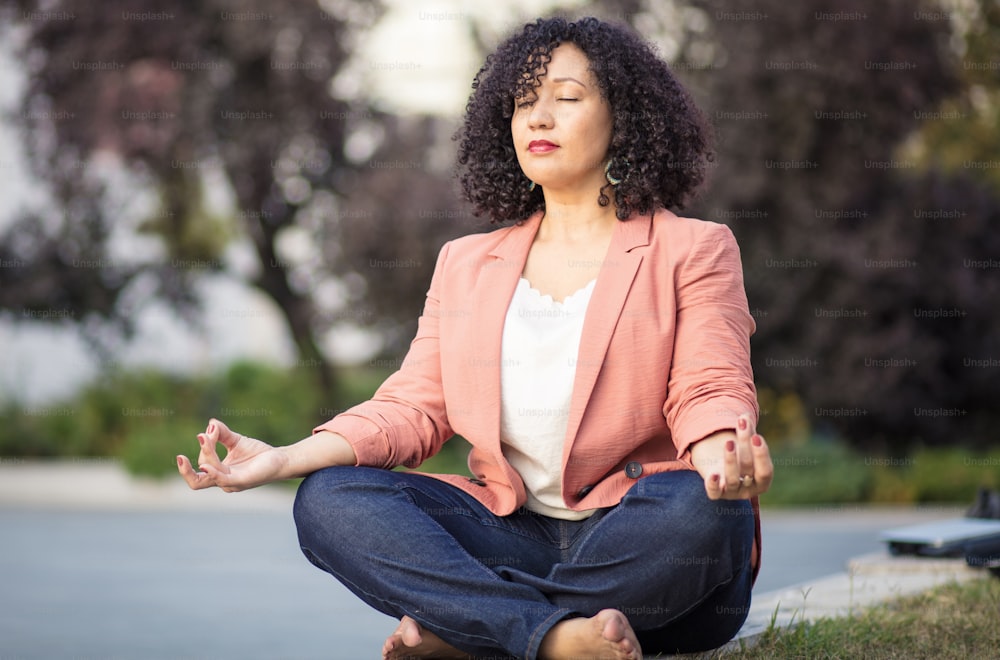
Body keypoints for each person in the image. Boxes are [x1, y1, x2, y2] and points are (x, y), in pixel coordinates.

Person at [177, 16, 773, 660]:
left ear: (624, 118)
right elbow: (412, 406)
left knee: (703, 507)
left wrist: (719, 450)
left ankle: (475, 632)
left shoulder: (694, 248)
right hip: (509, 532)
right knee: (328, 500)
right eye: (523, 103)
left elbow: (709, 383)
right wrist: (285, 458)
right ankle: (551, 637)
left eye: (566, 99)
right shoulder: (466, 263)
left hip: (643, 551)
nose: (538, 119)